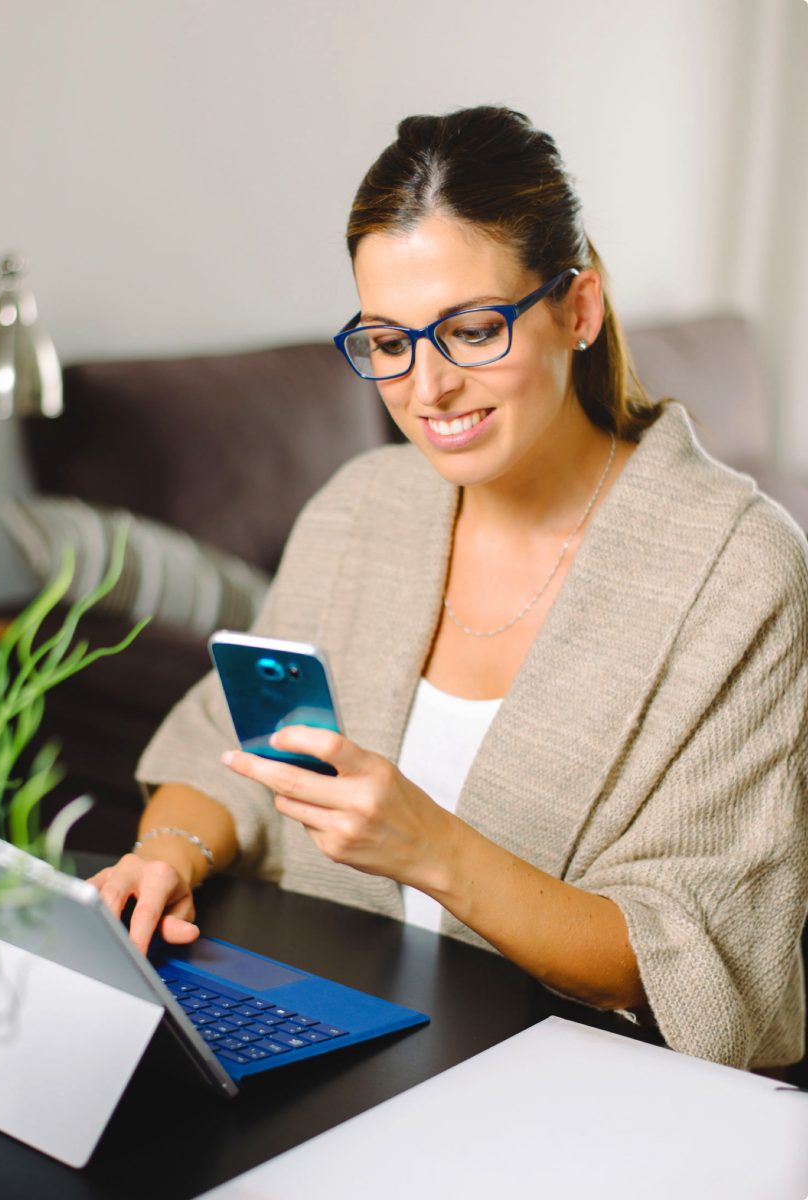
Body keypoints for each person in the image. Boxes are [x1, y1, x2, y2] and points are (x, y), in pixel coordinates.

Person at [89, 106, 808, 1072]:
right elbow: (232, 747)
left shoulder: (739, 569)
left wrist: (427, 844)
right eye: (389, 342)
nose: (426, 390)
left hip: (577, 1084)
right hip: (335, 1039)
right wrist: (167, 854)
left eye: (470, 330)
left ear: (578, 309)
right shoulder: (359, 509)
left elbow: (701, 957)